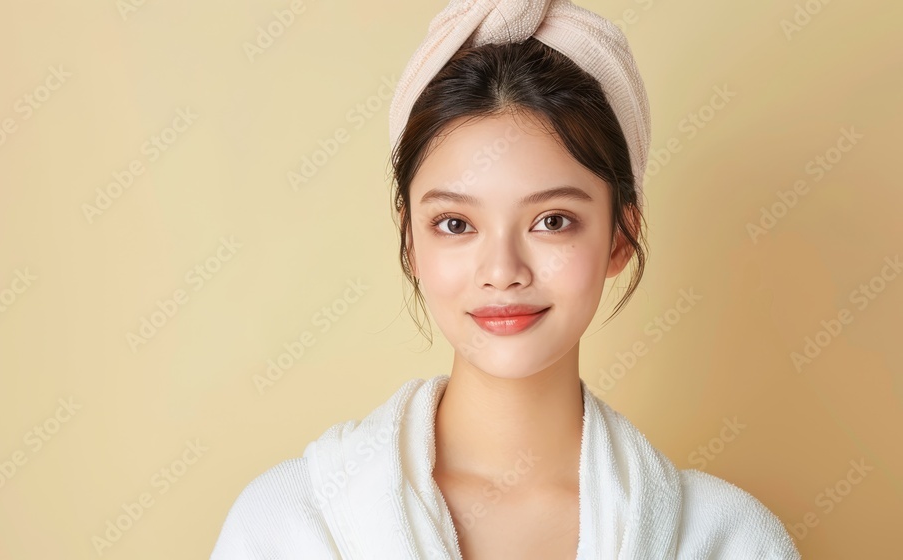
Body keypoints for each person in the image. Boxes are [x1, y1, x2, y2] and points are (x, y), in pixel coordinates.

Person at [211, 1, 801, 557]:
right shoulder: (287, 525)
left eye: (552, 221)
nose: (502, 272)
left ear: (621, 235)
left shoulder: (727, 539)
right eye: (455, 224)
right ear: (411, 241)